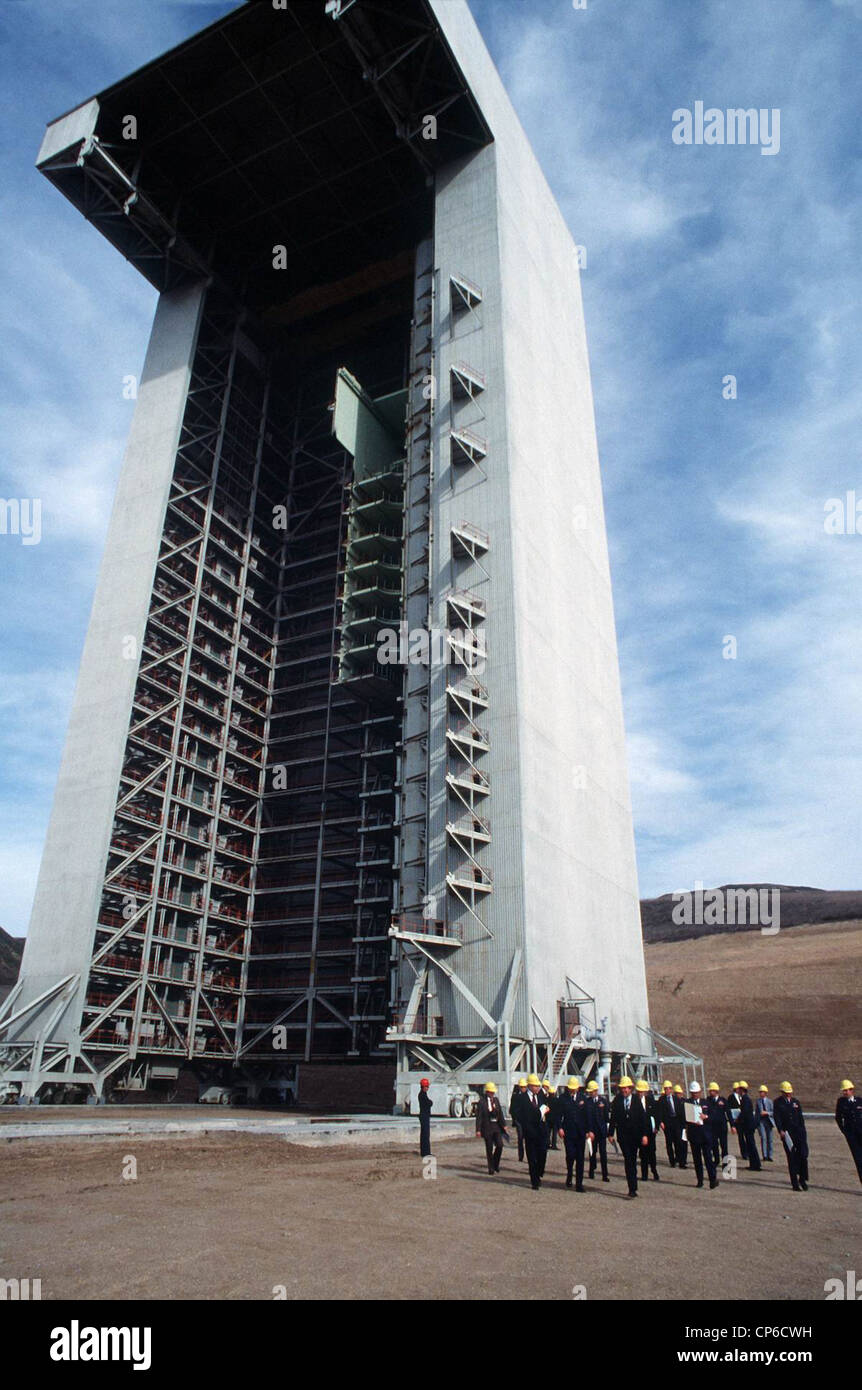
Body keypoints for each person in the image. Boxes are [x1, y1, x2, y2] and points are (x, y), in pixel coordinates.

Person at [608, 1075, 650, 1198]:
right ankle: (631, 1188)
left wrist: (644, 1135)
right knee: (628, 1160)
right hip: (623, 1137)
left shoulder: (636, 1100)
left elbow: (643, 1119)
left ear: (630, 1089)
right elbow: (613, 1118)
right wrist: (610, 1134)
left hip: (636, 1136)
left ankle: (634, 1184)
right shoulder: (617, 1100)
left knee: (632, 1159)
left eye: (626, 1088)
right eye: (622, 1088)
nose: (624, 1090)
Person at [558, 1077, 593, 1191]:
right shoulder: (563, 1098)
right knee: (570, 1156)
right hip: (568, 1131)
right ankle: (569, 1173)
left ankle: (579, 1183)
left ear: (578, 1088)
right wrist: (559, 1128)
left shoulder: (583, 1098)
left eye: (574, 1089)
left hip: (580, 1132)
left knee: (580, 1158)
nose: (572, 1091)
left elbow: (588, 1115)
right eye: (571, 1089)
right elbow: (558, 1115)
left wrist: (589, 1130)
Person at [774, 1081, 809, 1191]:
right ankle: (795, 1183)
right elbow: (777, 1117)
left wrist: (803, 1131)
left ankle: (803, 1179)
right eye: (786, 1092)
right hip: (788, 1134)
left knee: (803, 1156)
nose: (789, 1094)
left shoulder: (796, 1102)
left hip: (799, 1132)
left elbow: (800, 1118)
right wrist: (780, 1130)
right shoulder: (778, 1103)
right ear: (782, 1092)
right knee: (792, 1158)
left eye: (790, 1092)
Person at [684, 1082, 719, 1190]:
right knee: (697, 1159)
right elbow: (683, 1117)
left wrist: (706, 1117)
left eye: (696, 1092)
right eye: (693, 1093)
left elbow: (714, 1116)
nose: (695, 1094)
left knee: (708, 1158)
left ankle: (712, 1179)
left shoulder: (706, 1103)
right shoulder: (687, 1103)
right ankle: (700, 1180)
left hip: (705, 1135)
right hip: (694, 1135)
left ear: (700, 1092)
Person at [520, 1073, 549, 1190]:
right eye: (536, 1086)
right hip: (530, 1132)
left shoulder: (541, 1097)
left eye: (538, 1086)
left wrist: (546, 1111)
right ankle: (534, 1181)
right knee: (532, 1157)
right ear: (530, 1086)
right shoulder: (522, 1098)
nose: (538, 1088)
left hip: (541, 1131)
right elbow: (523, 1114)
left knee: (542, 1154)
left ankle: (539, 1172)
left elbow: (545, 1107)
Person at [475, 1081, 507, 1174]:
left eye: (493, 1092)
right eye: (491, 1092)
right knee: (489, 1148)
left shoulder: (496, 1100)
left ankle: (495, 1163)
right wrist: (478, 1130)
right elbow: (479, 1116)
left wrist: (504, 1124)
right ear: (487, 1092)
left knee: (500, 1145)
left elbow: (500, 1113)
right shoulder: (481, 1102)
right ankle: (491, 1168)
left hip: (496, 1126)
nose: (493, 1094)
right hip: (487, 1127)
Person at [835, 1079, 862, 1186]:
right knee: (858, 1159)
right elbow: (838, 1118)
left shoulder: (860, 1101)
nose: (845, 1093)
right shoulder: (841, 1102)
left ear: (851, 1090)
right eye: (844, 1091)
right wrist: (845, 1131)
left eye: (847, 1090)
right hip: (852, 1135)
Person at [634, 1080, 660, 1181]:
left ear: (645, 1091)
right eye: (639, 1091)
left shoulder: (651, 1101)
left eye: (642, 1091)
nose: (640, 1093)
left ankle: (654, 1170)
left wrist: (656, 1127)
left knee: (652, 1152)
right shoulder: (634, 1102)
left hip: (650, 1131)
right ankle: (644, 1174)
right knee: (643, 1154)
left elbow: (656, 1115)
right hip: (640, 1131)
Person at [585, 1080, 610, 1181]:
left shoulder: (603, 1101)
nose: (590, 1093)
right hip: (592, 1132)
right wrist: (588, 1131)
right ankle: (591, 1170)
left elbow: (606, 1117)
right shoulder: (587, 1102)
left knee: (603, 1153)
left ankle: (605, 1174)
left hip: (601, 1131)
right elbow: (585, 1118)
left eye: (592, 1091)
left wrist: (608, 1131)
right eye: (589, 1092)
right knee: (592, 1152)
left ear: (596, 1091)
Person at [735, 1081, 762, 1171]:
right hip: (748, 1125)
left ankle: (755, 1164)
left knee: (751, 1145)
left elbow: (745, 1113)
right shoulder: (745, 1098)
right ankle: (754, 1163)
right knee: (750, 1144)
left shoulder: (745, 1099)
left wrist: (738, 1119)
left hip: (748, 1125)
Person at [707, 1082, 729, 1170]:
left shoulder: (723, 1100)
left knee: (724, 1146)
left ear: (716, 1091)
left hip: (722, 1126)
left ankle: (725, 1163)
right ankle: (716, 1160)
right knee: (714, 1145)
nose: (710, 1092)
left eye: (712, 1090)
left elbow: (728, 1112)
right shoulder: (708, 1100)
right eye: (710, 1091)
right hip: (712, 1127)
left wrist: (733, 1125)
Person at [657, 1081, 679, 1166]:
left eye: (668, 1089)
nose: (667, 1090)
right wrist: (660, 1122)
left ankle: (678, 1158)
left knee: (677, 1142)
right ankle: (672, 1160)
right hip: (667, 1123)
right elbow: (659, 1112)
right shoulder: (661, 1100)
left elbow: (679, 1111)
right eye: (665, 1089)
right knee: (669, 1142)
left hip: (675, 1122)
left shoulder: (676, 1099)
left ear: (671, 1089)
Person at [727, 1083, 748, 1161]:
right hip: (736, 1120)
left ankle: (748, 1151)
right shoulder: (731, 1097)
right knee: (741, 1137)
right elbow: (729, 1109)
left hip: (743, 1120)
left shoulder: (743, 1097)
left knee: (747, 1137)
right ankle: (744, 1153)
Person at [509, 1077, 528, 1162]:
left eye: (525, 1087)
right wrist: (515, 1119)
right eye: (522, 1087)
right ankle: (521, 1156)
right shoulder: (515, 1096)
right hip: (519, 1121)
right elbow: (512, 1109)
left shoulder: (528, 1096)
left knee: (528, 1138)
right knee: (520, 1138)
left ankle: (529, 1155)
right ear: (519, 1087)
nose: (523, 1088)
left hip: (527, 1121)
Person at [755, 1085, 774, 1162]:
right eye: (760, 1092)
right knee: (763, 1138)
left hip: (769, 1121)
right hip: (761, 1121)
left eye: (762, 1092)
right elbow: (756, 1113)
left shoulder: (770, 1102)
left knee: (770, 1139)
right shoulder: (758, 1101)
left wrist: (767, 1113)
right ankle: (765, 1155)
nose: (761, 1093)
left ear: (765, 1093)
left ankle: (770, 1155)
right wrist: (756, 1122)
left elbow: (773, 1112)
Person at [673, 1084, 689, 1169]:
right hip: (677, 1125)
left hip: (684, 1125)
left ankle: (684, 1160)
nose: (678, 1095)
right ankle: (678, 1158)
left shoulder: (685, 1102)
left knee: (684, 1143)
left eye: (679, 1093)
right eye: (676, 1093)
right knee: (677, 1143)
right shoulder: (674, 1102)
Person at [542, 1078, 560, 1150]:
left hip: (548, 1118)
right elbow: (558, 1110)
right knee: (554, 1133)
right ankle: (553, 1145)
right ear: (554, 1093)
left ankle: (547, 1144)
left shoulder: (546, 1099)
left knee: (548, 1132)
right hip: (555, 1119)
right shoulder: (557, 1100)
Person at [417, 1077, 432, 1158]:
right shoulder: (422, 1095)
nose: (427, 1088)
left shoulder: (422, 1094)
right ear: (424, 1086)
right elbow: (428, 1103)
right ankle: (426, 1152)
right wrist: (430, 1102)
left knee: (425, 1134)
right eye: (426, 1086)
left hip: (424, 1116)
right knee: (425, 1134)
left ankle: (425, 1152)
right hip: (424, 1116)